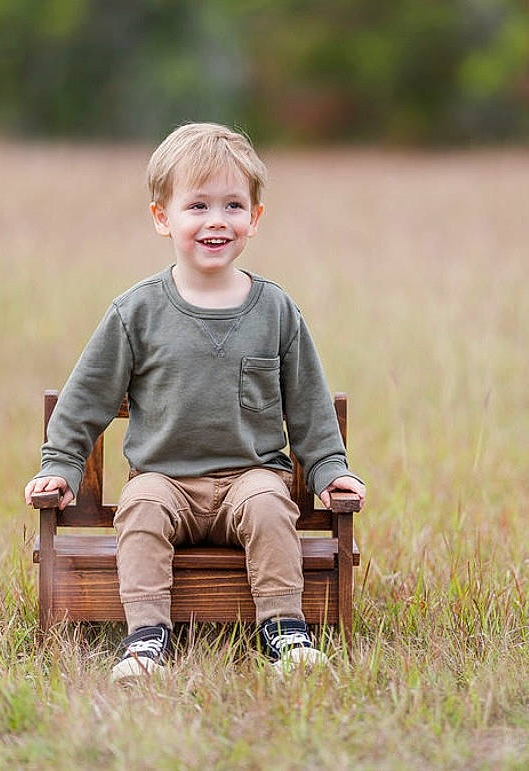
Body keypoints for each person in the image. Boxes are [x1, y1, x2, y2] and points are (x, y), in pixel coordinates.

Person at [23, 122, 366, 681]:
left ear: (254, 219)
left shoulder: (274, 311)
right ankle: (146, 640)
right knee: (140, 509)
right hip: (165, 478)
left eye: (233, 205)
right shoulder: (137, 312)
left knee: (270, 508)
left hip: (249, 476)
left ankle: (285, 631)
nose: (216, 220)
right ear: (163, 217)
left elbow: (307, 402)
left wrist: (330, 470)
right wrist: (59, 467)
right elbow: (86, 399)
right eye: (197, 205)